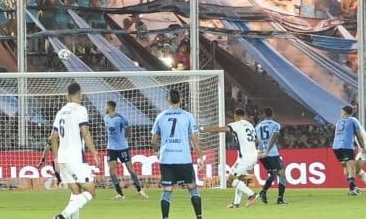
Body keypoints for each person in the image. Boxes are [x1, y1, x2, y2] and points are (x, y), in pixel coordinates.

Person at [48, 82, 99, 219]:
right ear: (80, 94)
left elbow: (53, 138)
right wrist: (94, 153)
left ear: (67, 95)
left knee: (76, 193)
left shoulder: (60, 112)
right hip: (75, 157)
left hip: (63, 158)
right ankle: (62, 216)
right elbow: (85, 133)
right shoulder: (81, 110)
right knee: (91, 190)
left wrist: (56, 158)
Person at [151, 89, 202, 219]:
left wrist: (157, 151)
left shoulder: (161, 116)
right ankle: (199, 217)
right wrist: (200, 156)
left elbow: (153, 141)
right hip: (183, 158)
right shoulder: (187, 115)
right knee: (192, 188)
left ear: (168, 100)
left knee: (167, 191)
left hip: (166, 158)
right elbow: (194, 139)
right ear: (181, 100)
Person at [201, 108, 258, 208]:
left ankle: (251, 195)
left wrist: (203, 129)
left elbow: (219, 129)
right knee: (239, 179)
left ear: (236, 116)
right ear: (244, 115)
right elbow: (256, 140)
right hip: (253, 155)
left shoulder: (236, 124)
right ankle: (236, 203)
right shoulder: (250, 125)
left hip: (245, 157)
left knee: (231, 179)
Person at [103, 100, 146, 199]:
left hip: (122, 147)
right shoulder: (105, 118)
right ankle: (120, 193)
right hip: (111, 148)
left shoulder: (121, 118)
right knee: (111, 171)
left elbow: (128, 129)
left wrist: (126, 138)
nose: (104, 108)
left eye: (106, 106)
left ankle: (140, 190)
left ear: (110, 107)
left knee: (130, 169)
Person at [254, 108, 288, 205]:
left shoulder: (257, 126)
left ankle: (265, 193)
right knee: (281, 174)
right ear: (272, 114)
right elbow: (274, 136)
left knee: (274, 173)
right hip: (271, 153)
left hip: (261, 153)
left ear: (264, 115)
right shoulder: (275, 125)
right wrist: (268, 150)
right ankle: (279, 199)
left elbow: (256, 140)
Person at [331, 105, 363, 196]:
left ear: (345, 112)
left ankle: (352, 186)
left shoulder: (338, 122)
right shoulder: (353, 121)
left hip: (336, 147)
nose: (340, 113)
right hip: (346, 146)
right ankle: (352, 189)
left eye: (341, 111)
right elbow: (358, 135)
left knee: (346, 167)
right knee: (351, 167)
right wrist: (362, 146)